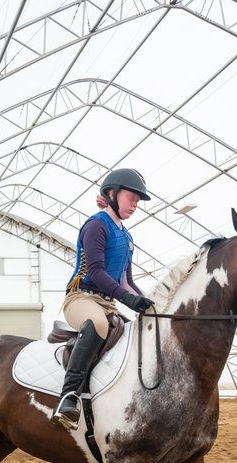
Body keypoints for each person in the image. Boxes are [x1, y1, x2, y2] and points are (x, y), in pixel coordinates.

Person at [51, 168, 155, 431]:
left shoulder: (127, 237)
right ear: (112, 194)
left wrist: (148, 304)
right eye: (132, 197)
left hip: (108, 301)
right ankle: (69, 396)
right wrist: (127, 300)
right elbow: (96, 272)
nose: (135, 204)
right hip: (81, 298)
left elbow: (126, 281)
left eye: (138, 201)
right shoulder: (96, 226)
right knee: (98, 324)